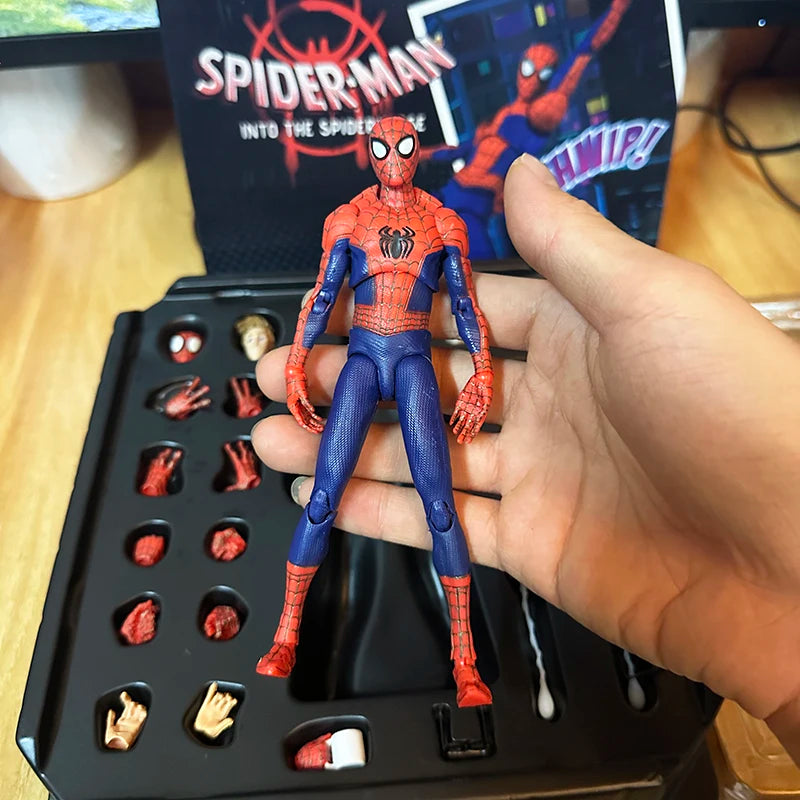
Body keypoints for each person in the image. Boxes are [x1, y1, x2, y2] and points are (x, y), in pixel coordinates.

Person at [251, 152, 800, 761]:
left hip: (412, 357)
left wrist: (483, 374)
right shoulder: (348, 218)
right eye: (383, 150)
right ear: (373, 154)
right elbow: (324, 293)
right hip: (361, 358)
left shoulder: (442, 222)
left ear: (415, 153)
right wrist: (298, 362)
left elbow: (466, 304)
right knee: (325, 497)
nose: (394, 162)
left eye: (404, 149)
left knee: (440, 507)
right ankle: (286, 634)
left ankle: (464, 659)